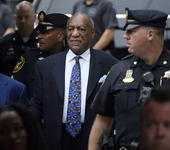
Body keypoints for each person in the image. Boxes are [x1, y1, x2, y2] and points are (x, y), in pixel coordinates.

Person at [29, 12, 118, 150]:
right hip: (56, 140)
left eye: (81, 29)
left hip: (93, 139)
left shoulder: (110, 64)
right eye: (71, 29)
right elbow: (37, 105)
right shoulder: (45, 66)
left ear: (92, 33)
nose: (75, 34)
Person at [88, 8, 169, 150]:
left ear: (150, 35)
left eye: (131, 31)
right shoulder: (118, 70)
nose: (125, 36)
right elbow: (102, 121)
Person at [12, 11, 69, 100]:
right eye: (39, 32)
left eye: (45, 33)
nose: (39, 36)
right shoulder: (29, 57)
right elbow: (15, 89)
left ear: (60, 36)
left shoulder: (72, 58)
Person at [0, 1, 39, 77]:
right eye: (19, 18)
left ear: (34, 17)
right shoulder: (3, 44)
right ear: (15, 18)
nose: (23, 21)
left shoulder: (42, 42)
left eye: (27, 17)